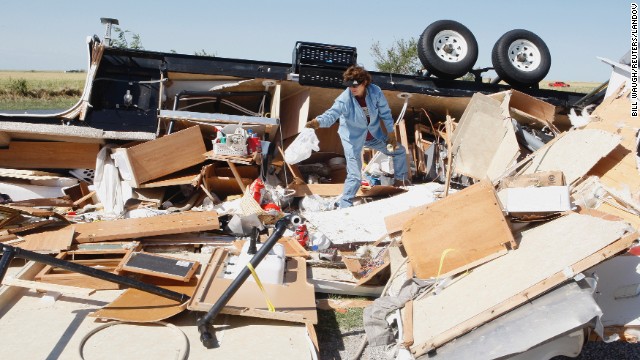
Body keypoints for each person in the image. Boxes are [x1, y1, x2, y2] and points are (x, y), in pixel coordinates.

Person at [305, 65, 410, 208]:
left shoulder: (375, 92)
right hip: (352, 138)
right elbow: (331, 115)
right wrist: (317, 122)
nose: (352, 89)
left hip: (374, 135)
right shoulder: (344, 99)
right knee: (355, 175)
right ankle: (345, 204)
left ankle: (400, 182)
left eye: (355, 85)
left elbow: (385, 113)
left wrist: (390, 132)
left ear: (364, 82)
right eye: (349, 85)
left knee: (399, 151)